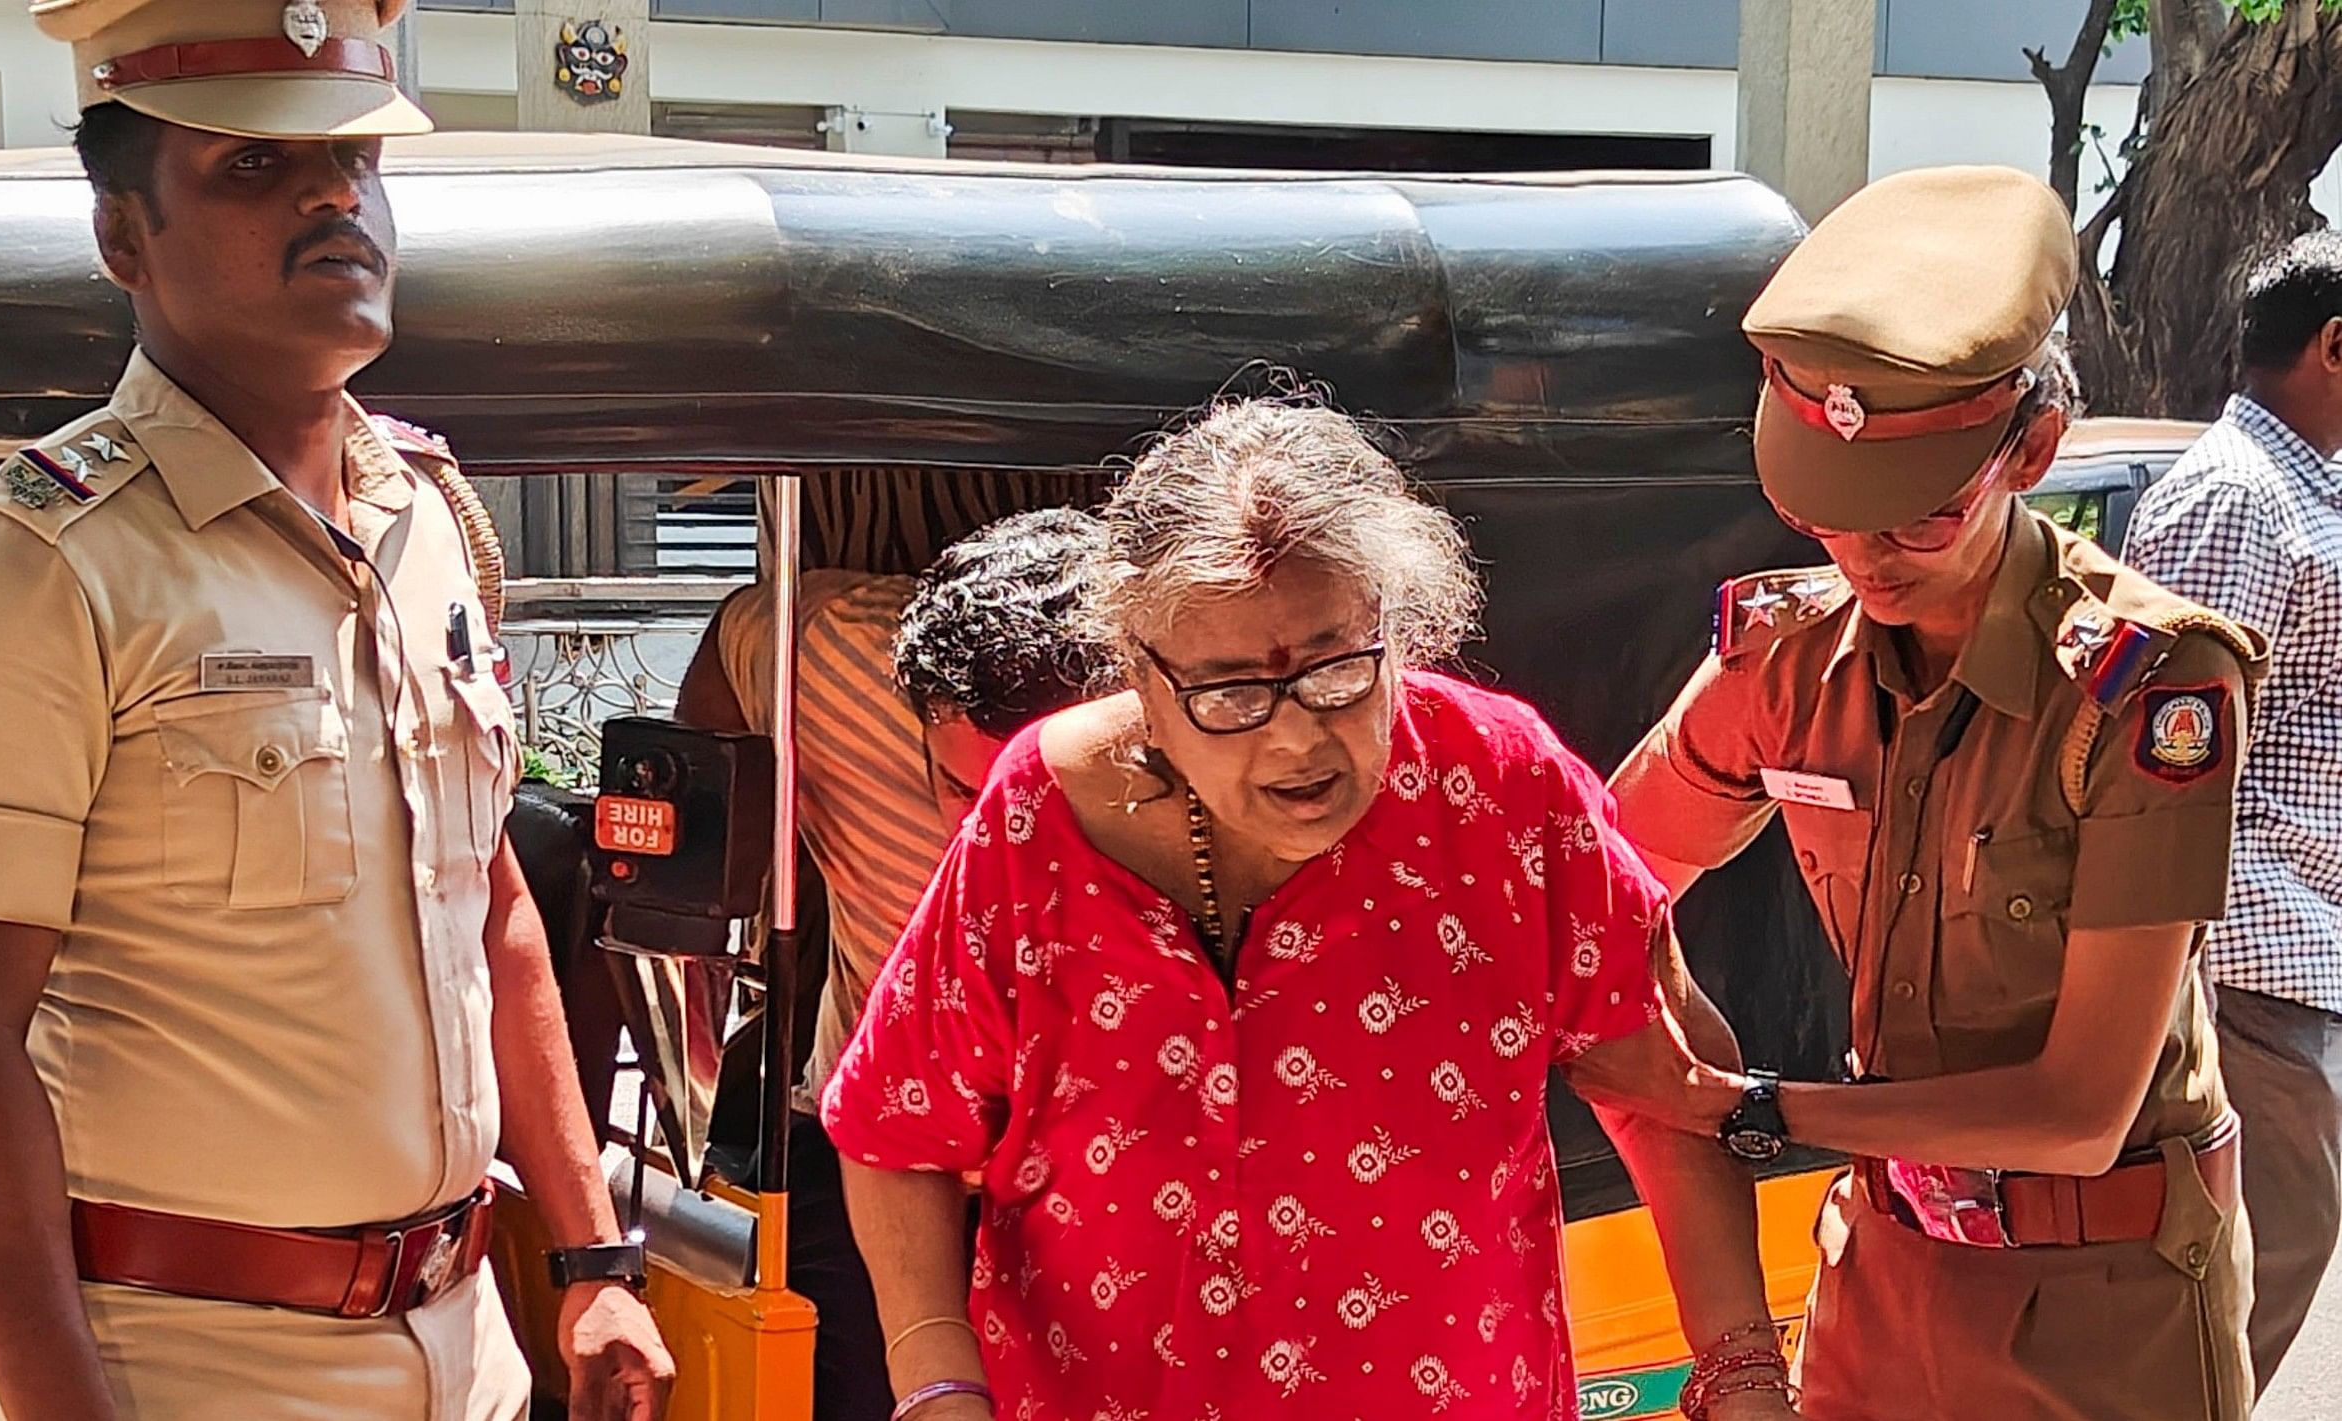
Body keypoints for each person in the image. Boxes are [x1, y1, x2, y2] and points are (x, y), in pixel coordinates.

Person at [0, 3, 671, 1417]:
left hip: (462, 1349)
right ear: (124, 237)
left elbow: (488, 908)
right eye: (251, 167)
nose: (330, 196)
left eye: (358, 161)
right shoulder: (27, 565)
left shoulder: (420, 517)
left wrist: (595, 1253)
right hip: (174, 1365)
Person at [822, 396, 1797, 1421]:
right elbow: (897, 1125)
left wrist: (1741, 1369)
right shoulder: (1038, 816)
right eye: (1229, 691)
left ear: (1398, 627)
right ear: (1143, 677)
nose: (1295, 741)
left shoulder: (1503, 787)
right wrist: (935, 1377)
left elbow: (1659, 1081)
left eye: (1336, 669)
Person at [1608, 166, 2267, 1421]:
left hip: (2097, 1310)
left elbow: (2079, 1110)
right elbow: (1593, 883)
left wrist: (1751, 1110)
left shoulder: (2146, 690)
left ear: (2032, 447)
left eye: (1916, 517)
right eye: (1826, 517)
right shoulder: (1785, 665)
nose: (1865, 557)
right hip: (1880, 1276)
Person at [674, 508, 1117, 1421]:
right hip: (869, 1164)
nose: (1001, 837)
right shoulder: (830, 656)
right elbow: (735, 640)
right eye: (965, 791)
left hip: (1094, 1190)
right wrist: (716, 877)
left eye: (1043, 796)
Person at [2121, 229, 2342, 1389]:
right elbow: (2169, 763)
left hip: (2294, 940)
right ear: (2334, 345)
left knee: (2270, 1251)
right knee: (2265, 1250)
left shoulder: (2297, 489)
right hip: (2249, 945)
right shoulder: (2237, 498)